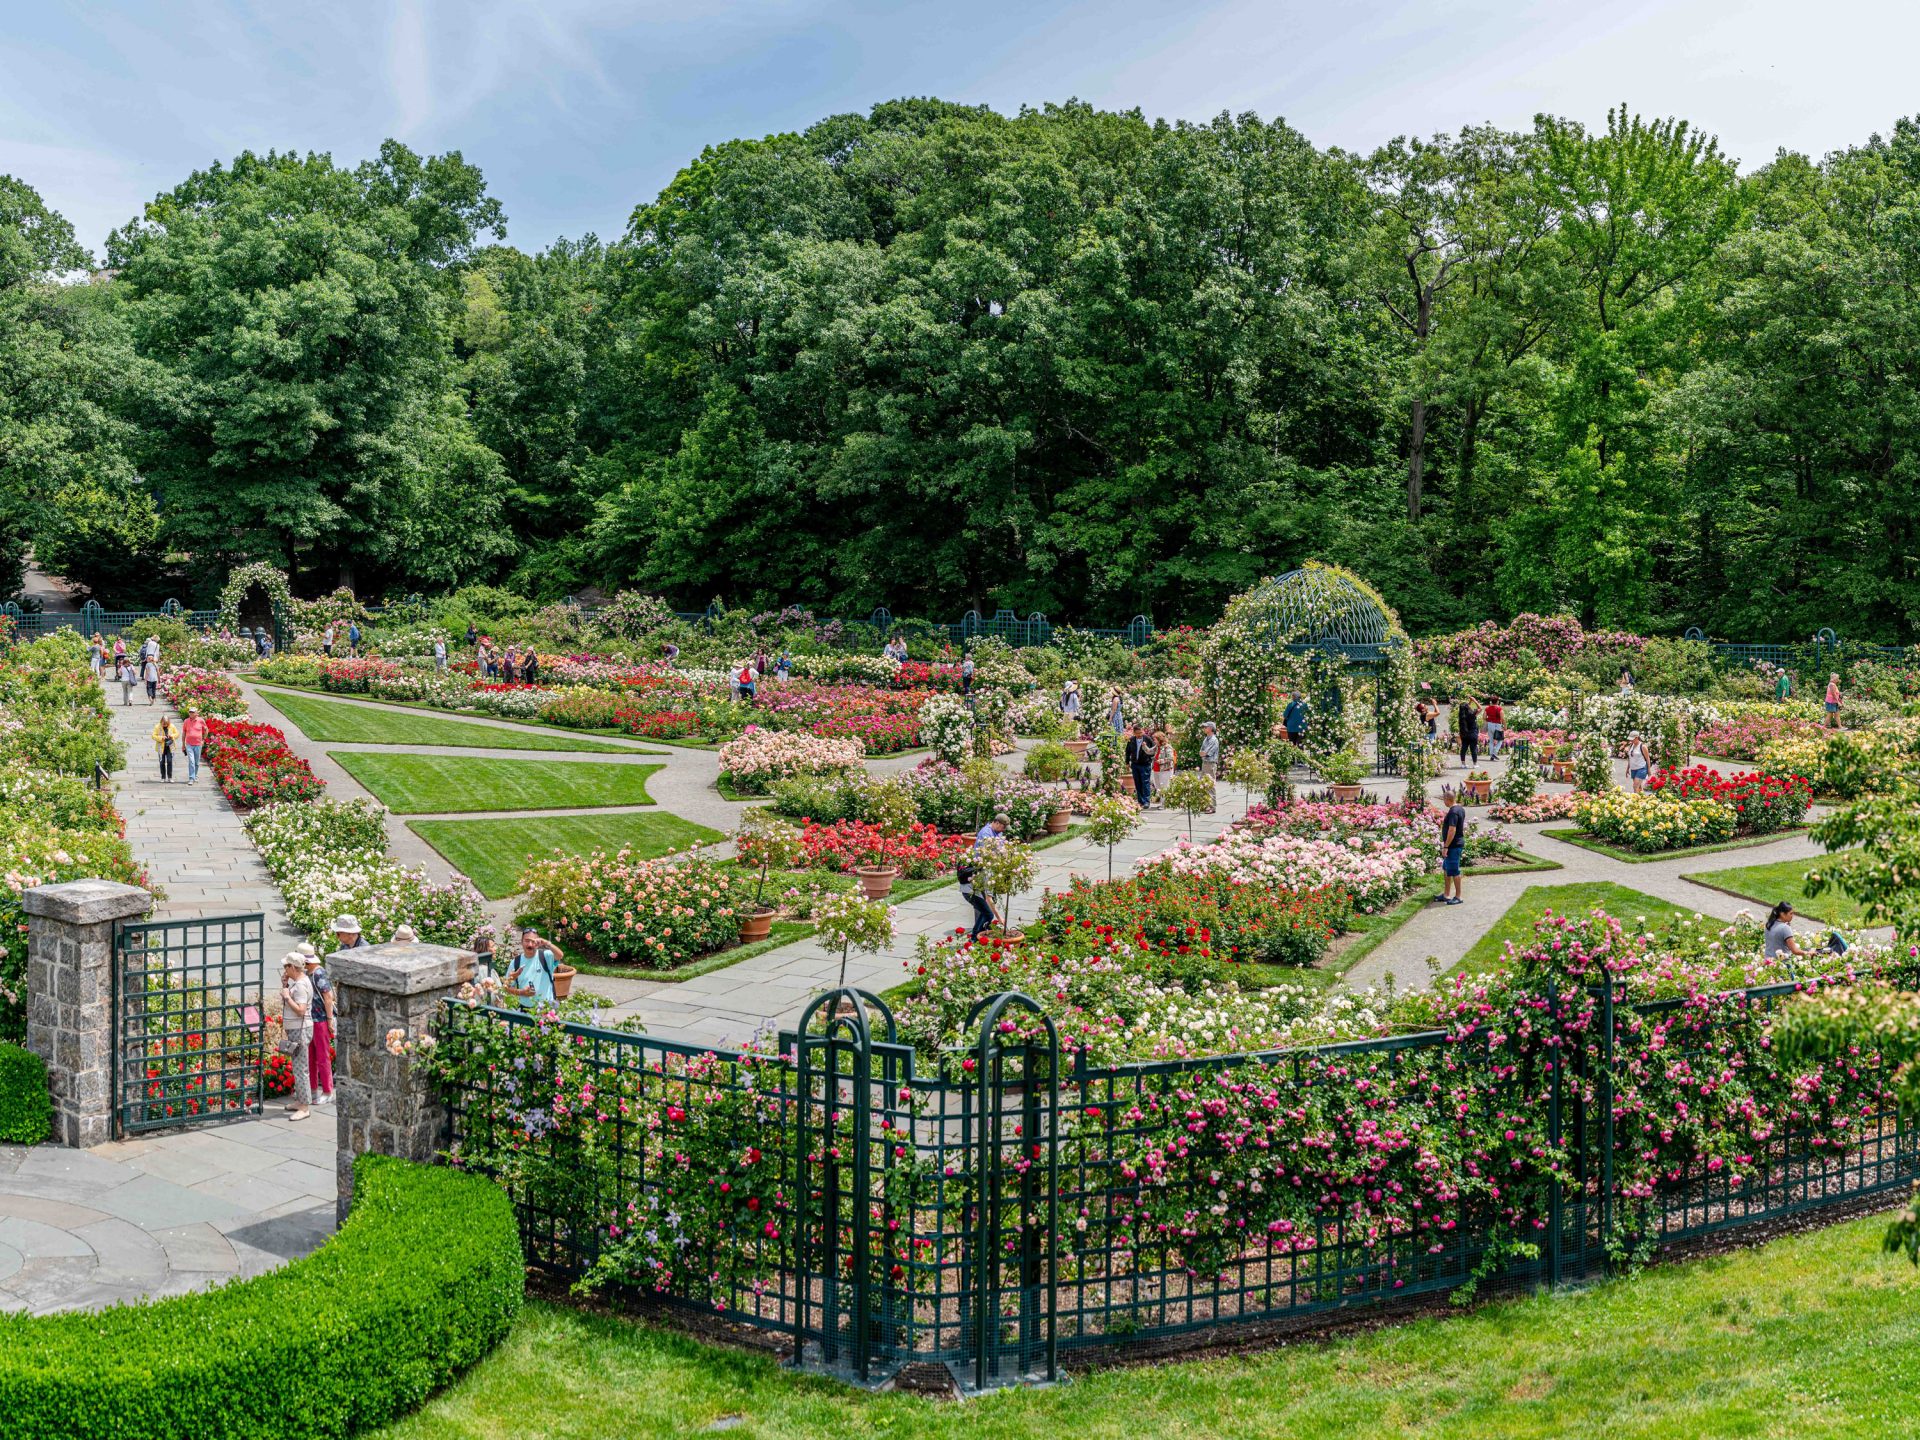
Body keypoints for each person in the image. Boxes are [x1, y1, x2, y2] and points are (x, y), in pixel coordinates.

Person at [279, 953, 313, 1122]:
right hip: (297, 1029)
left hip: (300, 1030)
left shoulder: (300, 985)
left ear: (293, 967)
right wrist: (286, 985)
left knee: (301, 1069)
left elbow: (300, 1010)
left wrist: (286, 995)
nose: (285, 969)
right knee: (298, 1067)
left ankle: (305, 1106)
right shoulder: (300, 982)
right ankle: (301, 1101)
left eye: (286, 966)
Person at [302, 943, 335, 1106]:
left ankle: (328, 1091)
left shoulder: (318, 973)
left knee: (323, 1057)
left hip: (320, 1020)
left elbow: (328, 997)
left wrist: (329, 1020)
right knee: (311, 1057)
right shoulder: (306, 973)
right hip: (310, 1020)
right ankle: (313, 1089)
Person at [507, 927, 564, 1012]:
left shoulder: (545, 956)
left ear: (538, 942)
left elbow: (560, 955)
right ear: (521, 942)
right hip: (525, 1009)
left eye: (533, 941)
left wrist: (547, 943)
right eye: (526, 941)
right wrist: (521, 992)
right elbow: (506, 987)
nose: (530, 945)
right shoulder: (515, 962)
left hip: (546, 1008)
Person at [956, 851, 996, 940]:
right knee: (988, 914)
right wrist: (999, 918)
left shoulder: (980, 863)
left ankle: (978, 934)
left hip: (966, 891)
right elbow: (989, 897)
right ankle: (975, 937)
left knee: (984, 912)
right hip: (972, 893)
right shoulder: (988, 870)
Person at [1438, 798, 1467, 905]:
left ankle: (1458, 897)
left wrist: (1446, 846)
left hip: (1453, 846)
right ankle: (1446, 894)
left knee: (1455, 871)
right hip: (1453, 844)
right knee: (1446, 868)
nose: (1443, 802)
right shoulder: (1460, 808)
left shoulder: (1453, 812)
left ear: (1447, 799)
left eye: (1444, 800)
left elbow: (1452, 829)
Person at [1124, 725, 1156, 808]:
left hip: (1145, 764)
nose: (1140, 734)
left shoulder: (1147, 739)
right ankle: (1140, 801)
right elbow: (1127, 752)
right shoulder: (1131, 740)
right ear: (1134, 733)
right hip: (1135, 764)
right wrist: (1127, 763)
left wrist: (1152, 760)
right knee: (1137, 783)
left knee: (1145, 782)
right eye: (1137, 733)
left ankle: (1146, 801)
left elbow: (1154, 749)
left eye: (1141, 732)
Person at [180, 708, 206, 785]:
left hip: (198, 744)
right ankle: (191, 778)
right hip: (189, 744)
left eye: (192, 712)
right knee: (191, 761)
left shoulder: (201, 720)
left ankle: (195, 775)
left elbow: (206, 729)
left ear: (196, 713)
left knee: (196, 762)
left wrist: (203, 740)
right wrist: (183, 744)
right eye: (190, 712)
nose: (191, 713)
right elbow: (184, 732)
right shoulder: (186, 721)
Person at [1151, 728, 1175, 804]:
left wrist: (1161, 761)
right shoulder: (1157, 747)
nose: (1154, 741)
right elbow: (1149, 751)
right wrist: (1144, 746)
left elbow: (1170, 758)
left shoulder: (1167, 747)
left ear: (1159, 739)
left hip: (1164, 770)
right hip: (1156, 769)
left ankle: (1164, 804)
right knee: (1158, 787)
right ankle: (1163, 802)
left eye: (1155, 739)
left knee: (1164, 786)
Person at [152, 715, 177, 782]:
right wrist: (161, 737)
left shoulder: (172, 726)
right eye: (164, 723)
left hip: (170, 747)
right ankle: (163, 777)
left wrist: (172, 736)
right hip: (161, 747)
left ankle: (170, 777)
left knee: (169, 761)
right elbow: (153, 736)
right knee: (162, 762)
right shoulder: (157, 726)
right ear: (161, 721)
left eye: (166, 723)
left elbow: (177, 734)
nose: (165, 725)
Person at [1456, 695, 1479, 767]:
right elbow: (1480, 708)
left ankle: (1463, 764)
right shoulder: (1472, 714)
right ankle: (1475, 764)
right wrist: (1474, 701)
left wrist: (1470, 702)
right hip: (1473, 733)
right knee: (1473, 749)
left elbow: (1464, 708)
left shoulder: (1461, 716)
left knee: (1464, 748)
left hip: (1464, 733)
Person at [1484, 695, 1505, 760]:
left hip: (1490, 724)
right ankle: (1494, 752)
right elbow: (1502, 718)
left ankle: (1491, 755)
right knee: (1500, 739)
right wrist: (1505, 726)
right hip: (1497, 725)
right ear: (1497, 701)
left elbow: (1484, 717)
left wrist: (1489, 720)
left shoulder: (1487, 708)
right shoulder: (1499, 708)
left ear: (1491, 701)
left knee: (1491, 740)